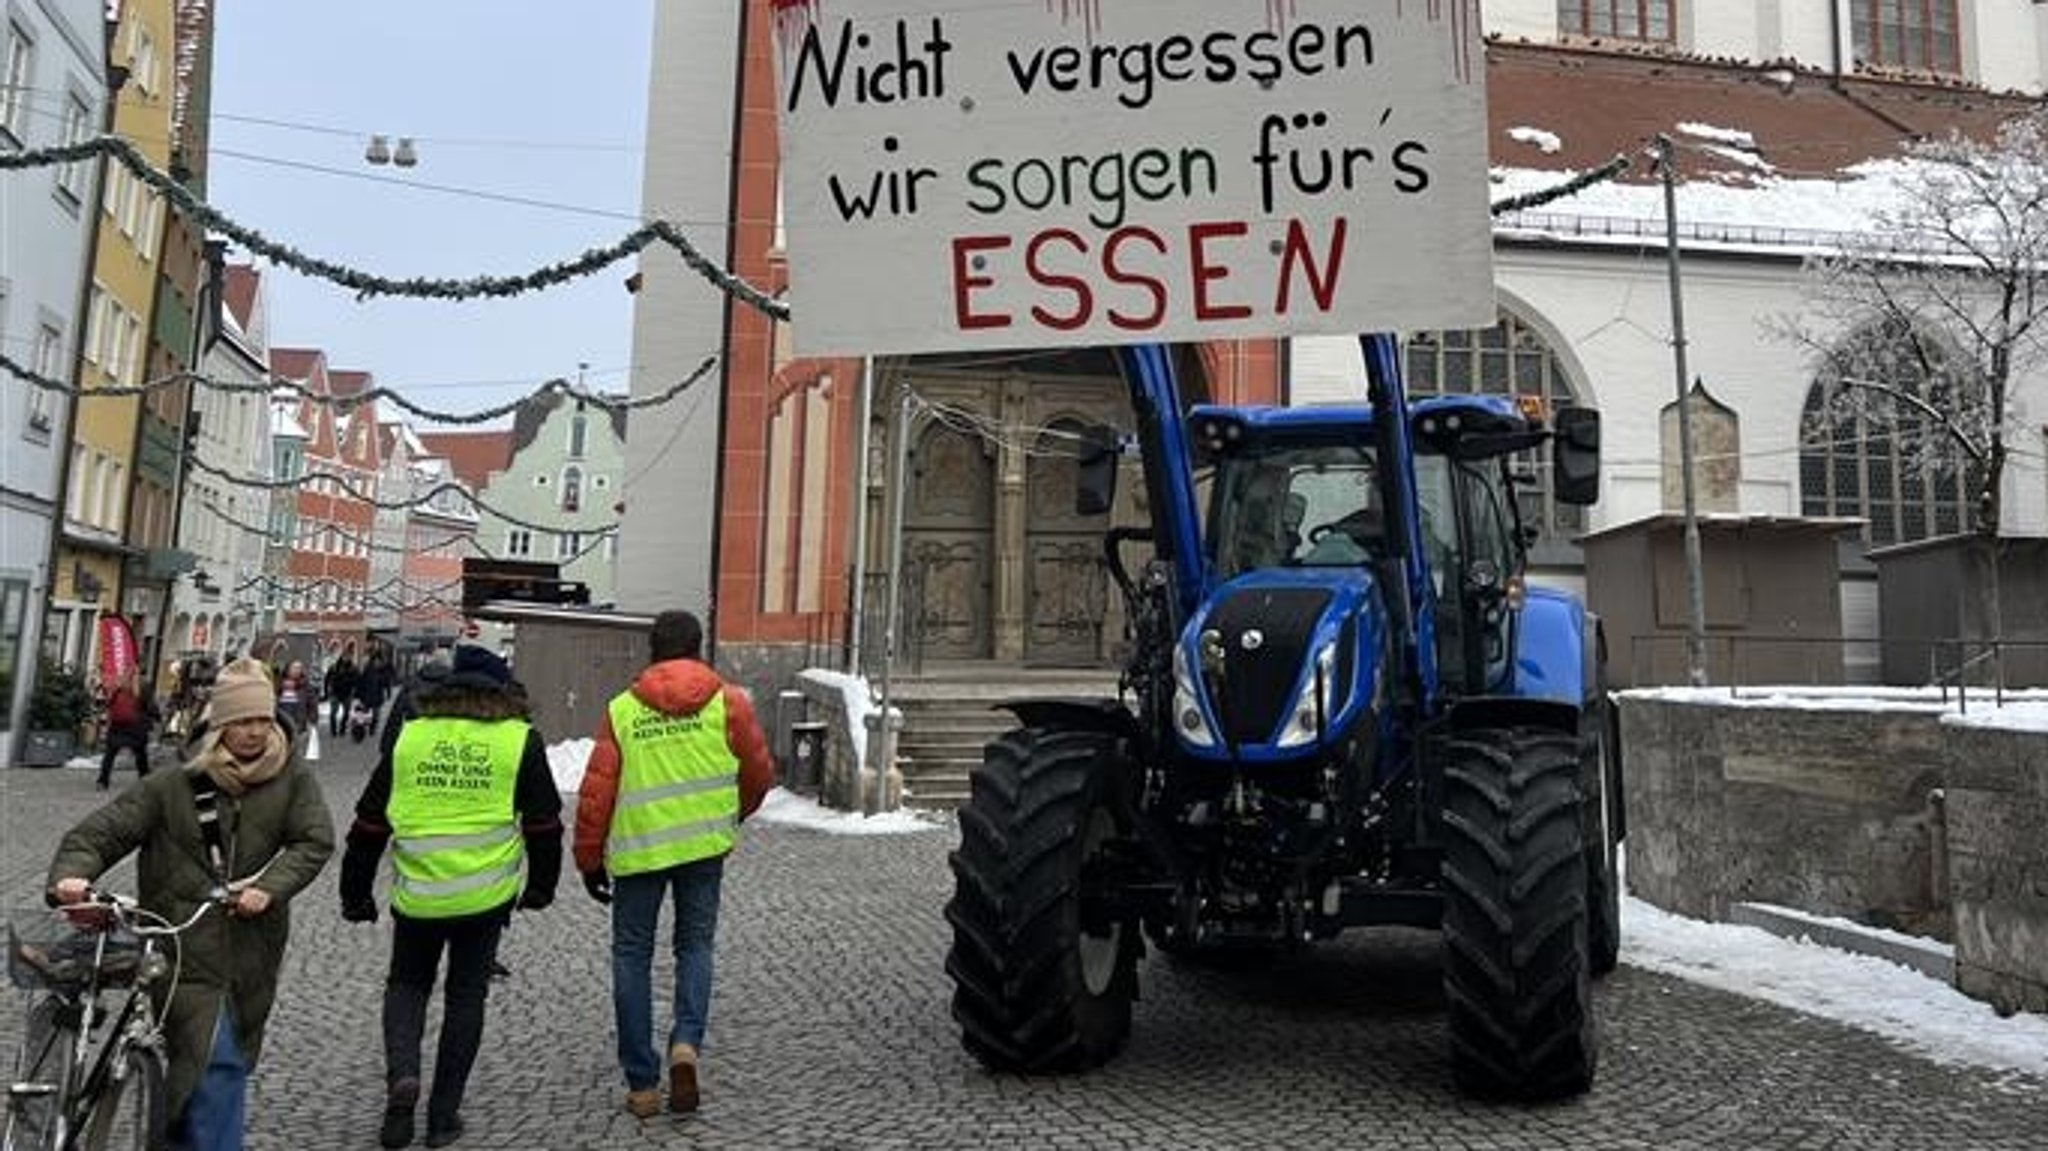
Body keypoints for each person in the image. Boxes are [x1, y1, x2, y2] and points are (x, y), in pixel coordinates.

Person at [47, 658, 335, 1151]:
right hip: (179, 947)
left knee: (222, 1059)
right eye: (243, 721)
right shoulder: (173, 783)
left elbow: (314, 840)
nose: (255, 732)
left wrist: (270, 887)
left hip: (252, 949)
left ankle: (176, 1132)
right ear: (220, 723)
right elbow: (104, 832)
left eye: (263, 721)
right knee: (214, 1059)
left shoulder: (292, 778)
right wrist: (72, 877)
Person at [340, 644, 561, 1149]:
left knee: (408, 985)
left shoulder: (412, 738)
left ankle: (402, 1077)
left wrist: (355, 893)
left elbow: (370, 822)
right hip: (485, 896)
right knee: (466, 996)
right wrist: (541, 887)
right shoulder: (519, 740)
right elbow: (545, 823)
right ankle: (443, 1116)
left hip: (419, 892)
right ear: (503, 693)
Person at [574, 610, 774, 1119]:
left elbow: (597, 794)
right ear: (699, 647)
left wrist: (589, 859)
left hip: (640, 851)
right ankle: (686, 1043)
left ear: (653, 650)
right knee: (695, 945)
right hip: (704, 847)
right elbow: (757, 771)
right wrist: (733, 815)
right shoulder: (728, 702)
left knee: (631, 957)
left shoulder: (622, 710)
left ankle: (642, 1084)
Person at [97, 669, 156, 790]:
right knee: (140, 755)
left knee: (110, 754)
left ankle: (102, 781)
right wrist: (153, 719)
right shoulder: (143, 684)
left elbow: (109, 703)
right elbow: (150, 706)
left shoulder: (118, 684)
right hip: (136, 725)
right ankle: (145, 780)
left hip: (118, 724)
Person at [326, 650, 360, 737]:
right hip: (335, 693)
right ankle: (333, 730)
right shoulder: (334, 667)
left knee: (346, 713)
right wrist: (327, 691)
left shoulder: (353, 668)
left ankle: (342, 729)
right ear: (342, 656)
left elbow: (357, 681)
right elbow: (327, 679)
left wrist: (355, 691)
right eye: (345, 656)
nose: (346, 658)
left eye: (348, 656)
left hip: (347, 693)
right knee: (333, 713)